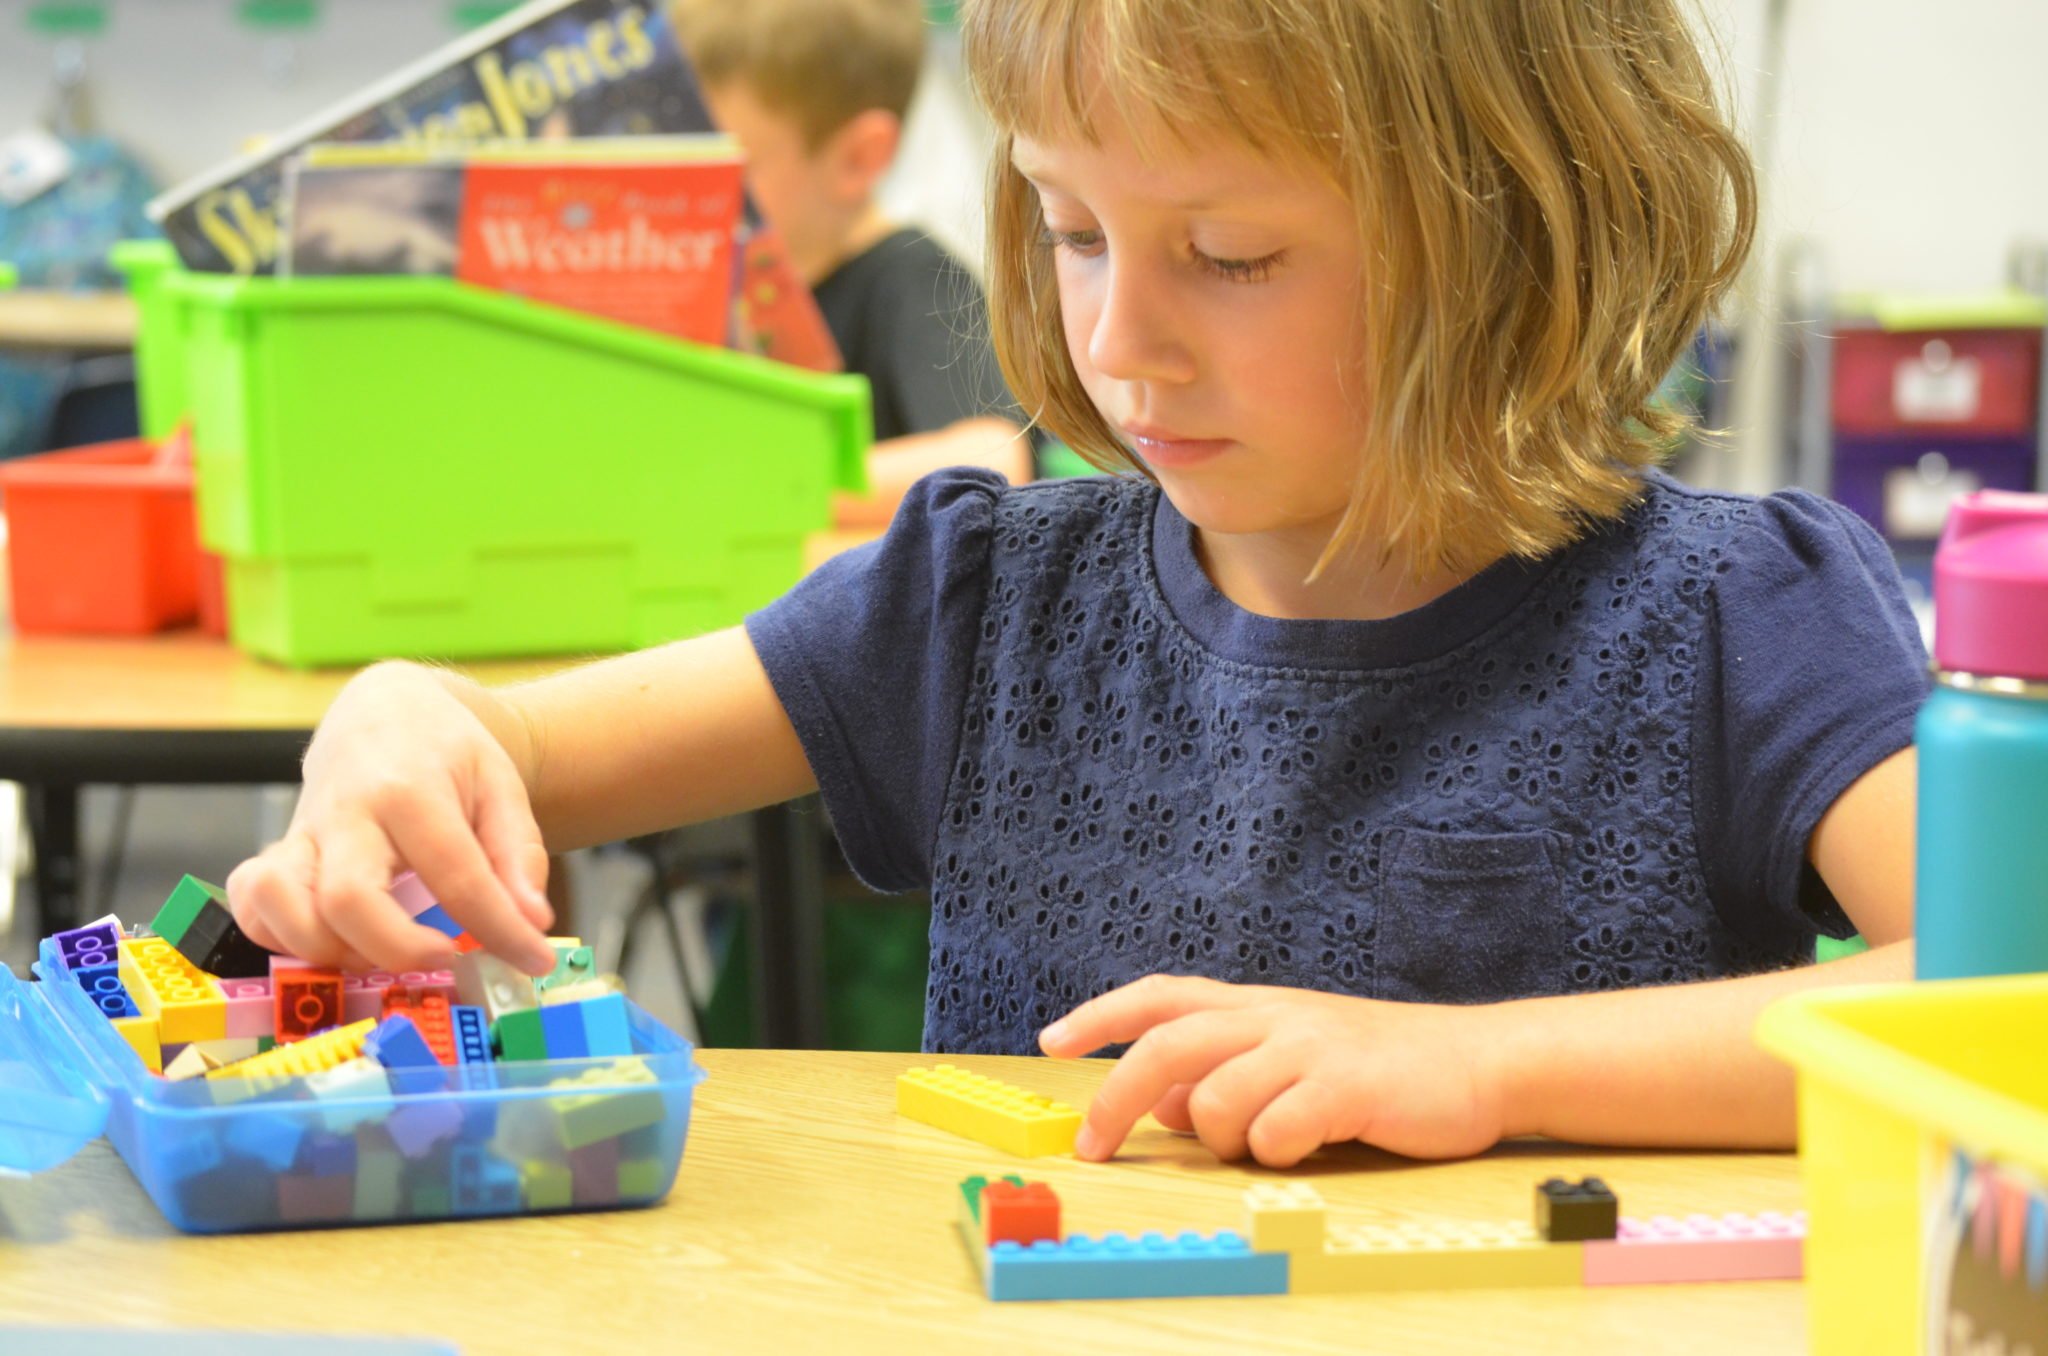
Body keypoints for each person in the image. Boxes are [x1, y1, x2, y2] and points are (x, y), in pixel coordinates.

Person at [228, 0, 1927, 1172]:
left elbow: (2005, 997)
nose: (1116, 344)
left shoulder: (1729, 616)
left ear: (1516, 229)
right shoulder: (976, 602)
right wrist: (396, 717)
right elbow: (497, 742)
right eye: (1069, 225)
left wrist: (1481, 1065)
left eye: (1230, 255)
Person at [672, 0, 1034, 521]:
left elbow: (997, 457)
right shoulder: (729, 289)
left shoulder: (914, 278)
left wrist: (768, 487)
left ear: (859, 158)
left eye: (725, 163)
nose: (691, 192)